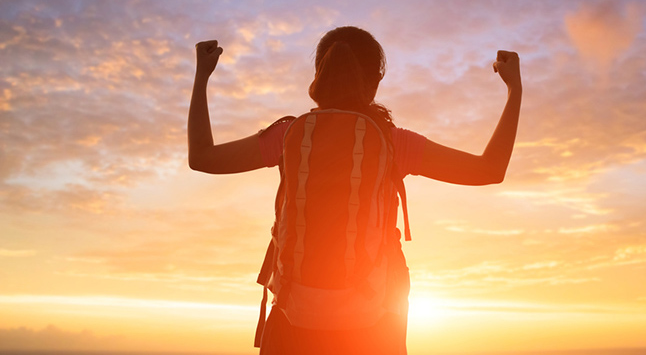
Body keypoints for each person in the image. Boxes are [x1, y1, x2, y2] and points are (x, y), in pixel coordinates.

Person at [187, 26, 522, 354]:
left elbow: (202, 157)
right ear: (375, 83)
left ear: (319, 73)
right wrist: (514, 90)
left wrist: (202, 76)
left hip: (293, 321)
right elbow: (489, 170)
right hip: (372, 329)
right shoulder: (394, 142)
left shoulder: (287, 136)